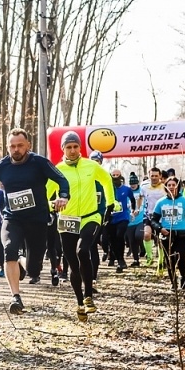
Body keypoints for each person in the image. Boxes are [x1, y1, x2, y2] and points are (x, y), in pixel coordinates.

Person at [0, 128, 69, 314]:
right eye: (12, 146)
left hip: (37, 220)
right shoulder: (1, 166)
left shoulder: (39, 162)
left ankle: (22, 262)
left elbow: (62, 179)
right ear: (7, 147)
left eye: (20, 145)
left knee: (33, 269)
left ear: (28, 145)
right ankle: (16, 297)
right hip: (13, 218)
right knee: (9, 249)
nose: (16, 149)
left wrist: (63, 196)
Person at [52, 131, 115, 318]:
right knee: (72, 264)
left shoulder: (91, 165)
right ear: (63, 149)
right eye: (68, 147)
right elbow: (45, 194)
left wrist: (110, 204)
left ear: (80, 147)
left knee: (82, 251)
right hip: (67, 220)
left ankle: (88, 296)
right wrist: (51, 206)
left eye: (75, 146)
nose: (72, 150)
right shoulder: (57, 170)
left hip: (90, 217)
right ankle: (80, 302)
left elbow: (107, 180)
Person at [150, 175, 185, 291]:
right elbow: (153, 220)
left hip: (181, 234)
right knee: (169, 260)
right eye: (169, 185)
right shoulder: (161, 202)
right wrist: (160, 228)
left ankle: (183, 276)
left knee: (180, 258)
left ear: (177, 187)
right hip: (167, 234)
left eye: (173, 185)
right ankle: (173, 282)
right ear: (166, 187)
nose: (171, 187)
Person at [105, 170, 134, 270]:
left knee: (119, 236)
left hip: (123, 217)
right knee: (112, 240)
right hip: (110, 218)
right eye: (113, 175)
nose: (115, 177)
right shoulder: (106, 189)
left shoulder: (126, 189)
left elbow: (132, 199)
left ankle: (121, 260)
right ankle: (116, 258)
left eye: (117, 175)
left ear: (121, 177)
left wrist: (133, 209)